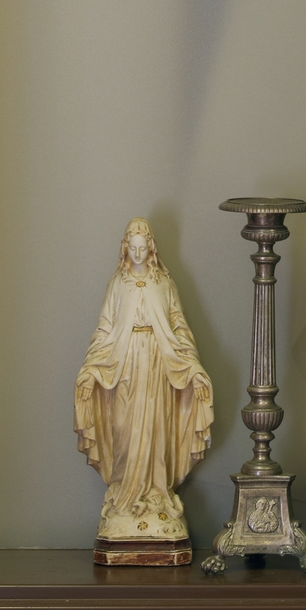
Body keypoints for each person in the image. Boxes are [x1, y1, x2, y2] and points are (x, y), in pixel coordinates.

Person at [75, 218, 215, 551]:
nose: (137, 254)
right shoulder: (117, 284)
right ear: (125, 248)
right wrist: (91, 370)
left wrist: (193, 368)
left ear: (150, 248)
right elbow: (104, 330)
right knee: (123, 429)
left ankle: (156, 495)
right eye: (133, 248)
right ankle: (124, 499)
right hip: (123, 366)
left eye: (142, 248)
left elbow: (178, 328)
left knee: (155, 431)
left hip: (157, 365)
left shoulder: (163, 283)